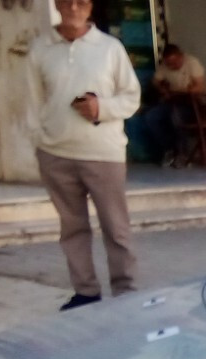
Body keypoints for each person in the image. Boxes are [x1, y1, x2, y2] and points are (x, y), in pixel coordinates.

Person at [30, 0, 141, 311]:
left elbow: (131, 97)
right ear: (57, 5)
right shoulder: (41, 49)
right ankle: (85, 291)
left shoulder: (110, 48)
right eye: (67, 1)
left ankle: (126, 291)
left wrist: (101, 109)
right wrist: (40, 140)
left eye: (81, 2)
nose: (74, 8)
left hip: (103, 152)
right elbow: (31, 100)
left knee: (116, 227)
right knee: (72, 227)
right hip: (55, 152)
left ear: (90, 7)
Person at [145, 44, 206, 165]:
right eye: (169, 64)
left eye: (174, 62)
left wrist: (181, 91)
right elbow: (155, 81)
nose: (172, 66)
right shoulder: (165, 67)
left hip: (191, 103)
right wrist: (163, 89)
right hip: (172, 101)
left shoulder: (192, 63)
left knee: (177, 117)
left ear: (181, 57)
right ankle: (170, 149)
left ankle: (183, 153)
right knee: (151, 117)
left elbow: (200, 87)